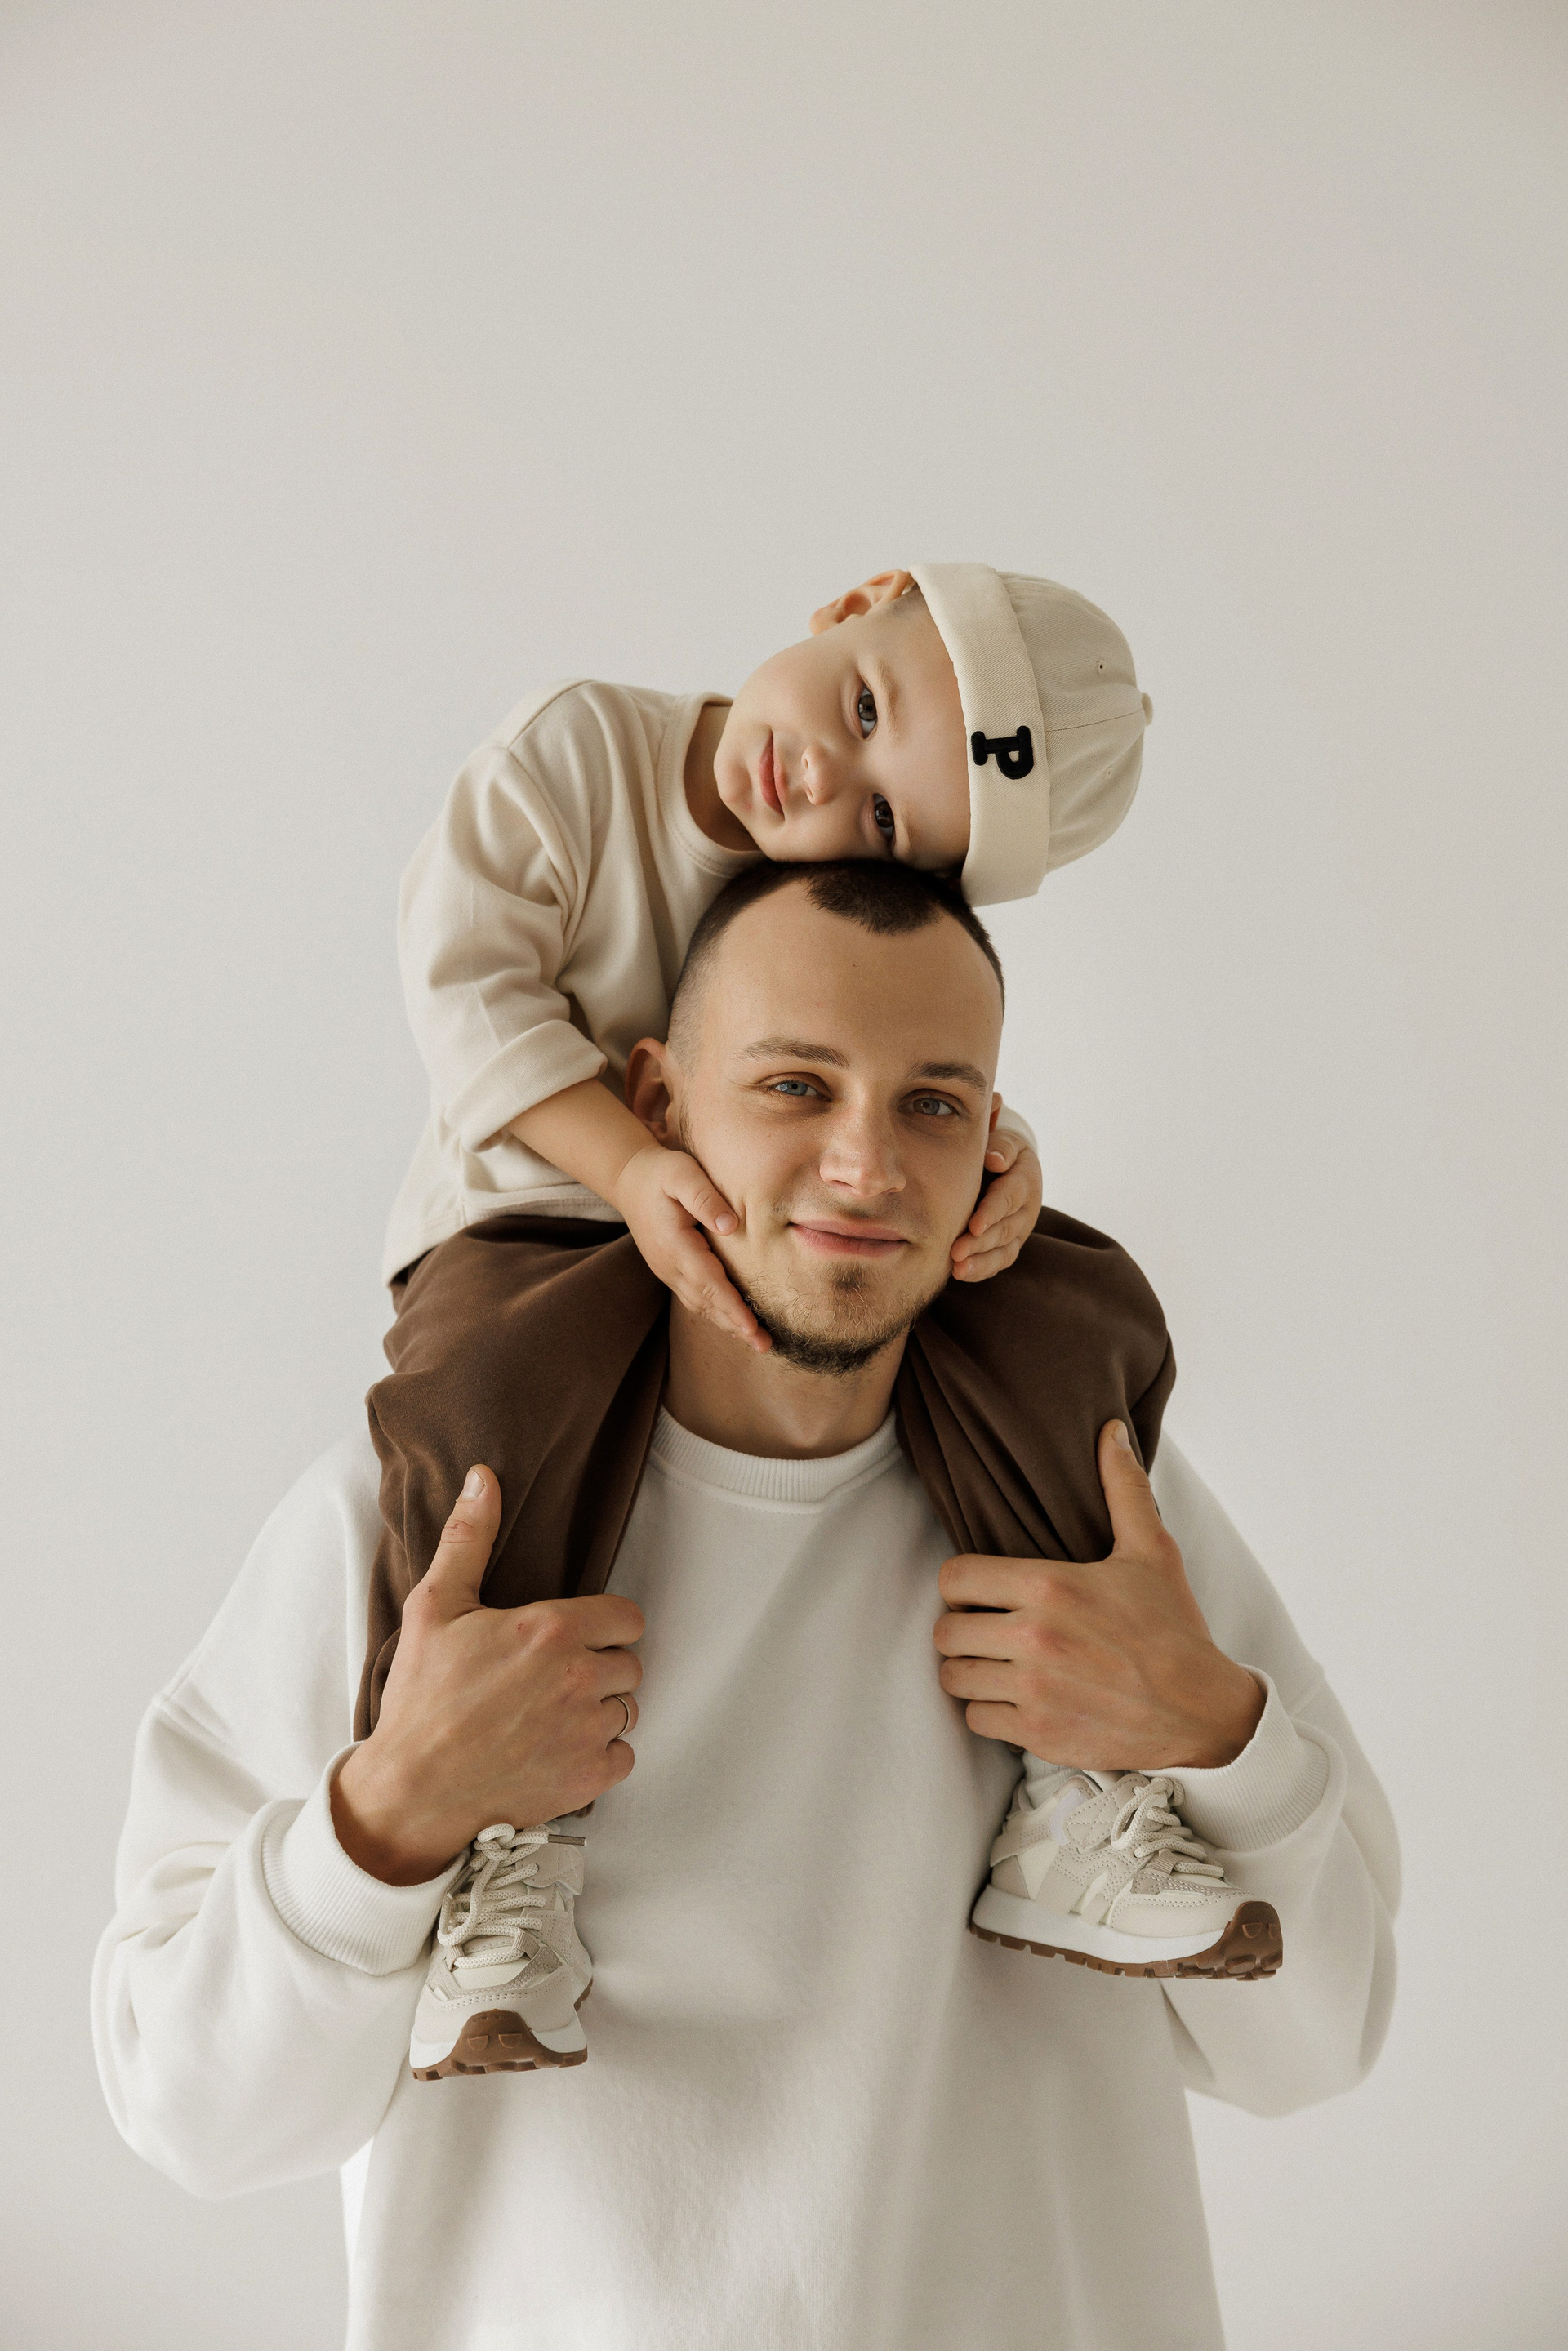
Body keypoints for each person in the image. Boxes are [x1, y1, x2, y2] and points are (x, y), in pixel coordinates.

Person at [93, 866, 1398, 2351]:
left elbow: (1317, 2046)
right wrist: (391, 1813)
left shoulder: (1102, 1516)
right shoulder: (426, 1524)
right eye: (795, 1085)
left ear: (994, 1143)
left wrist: (1217, 1736)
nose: (866, 1165)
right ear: (657, 1105)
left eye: (933, 1103)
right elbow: (189, 2115)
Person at [366, 563, 1188, 2064]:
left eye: (880, 824)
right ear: (858, 600)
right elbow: (467, 989)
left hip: (757, 1233)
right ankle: (500, 1845)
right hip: (534, 1217)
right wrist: (635, 1170)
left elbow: (880, 1039)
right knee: (485, 1411)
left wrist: (998, 1160)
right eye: (864, 709)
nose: (818, 781)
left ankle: (1081, 1789)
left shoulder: (838, 879)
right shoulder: (580, 752)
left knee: (1078, 1309)